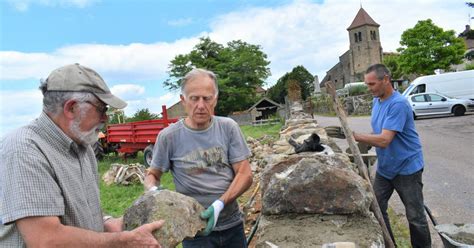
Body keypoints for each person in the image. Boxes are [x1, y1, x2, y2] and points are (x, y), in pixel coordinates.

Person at [0, 63, 164, 247]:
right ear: (71, 108)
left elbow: (81, 214)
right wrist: (124, 241)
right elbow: (46, 240)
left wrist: (109, 223)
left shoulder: (84, 147)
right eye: (102, 109)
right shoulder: (25, 150)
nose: (106, 118)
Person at [144, 68, 253, 248]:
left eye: (207, 98)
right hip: (195, 231)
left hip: (232, 225)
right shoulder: (169, 136)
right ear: (183, 100)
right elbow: (152, 175)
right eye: (194, 98)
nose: (201, 105)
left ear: (215, 99)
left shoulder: (228, 128)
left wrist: (219, 205)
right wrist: (154, 191)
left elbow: (245, 174)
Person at [353, 64, 431, 247]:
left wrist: (354, 135)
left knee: (415, 216)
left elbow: (385, 140)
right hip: (387, 168)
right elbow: (378, 131)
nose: (368, 88)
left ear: (386, 80)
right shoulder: (376, 101)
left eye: (372, 84)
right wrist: (362, 142)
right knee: (376, 207)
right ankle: (390, 245)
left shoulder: (398, 104)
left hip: (407, 167)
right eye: (367, 84)